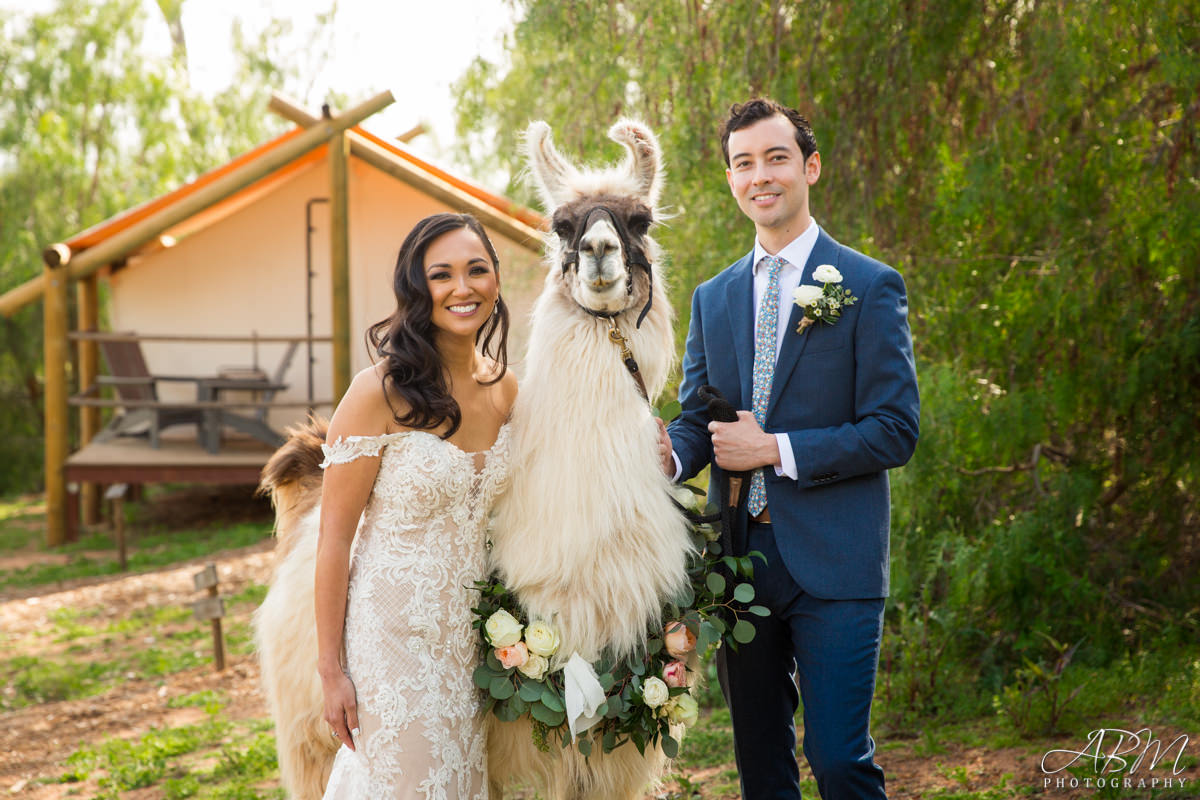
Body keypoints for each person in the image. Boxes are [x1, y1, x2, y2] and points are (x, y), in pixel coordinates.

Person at [658, 99, 919, 799]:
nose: (759, 176)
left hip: (836, 561)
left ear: (810, 167)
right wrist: (670, 458)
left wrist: (773, 448)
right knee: (762, 769)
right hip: (741, 564)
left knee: (838, 760)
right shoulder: (712, 299)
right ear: (730, 179)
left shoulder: (866, 285)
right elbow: (697, 420)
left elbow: (895, 428)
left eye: (775, 158)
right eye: (743, 163)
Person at [315, 212, 517, 798]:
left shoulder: (508, 389)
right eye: (442, 275)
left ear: (496, 281)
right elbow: (333, 541)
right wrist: (331, 670)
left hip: (475, 645)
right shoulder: (376, 392)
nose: (463, 288)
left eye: (477, 270)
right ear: (415, 288)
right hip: (392, 642)